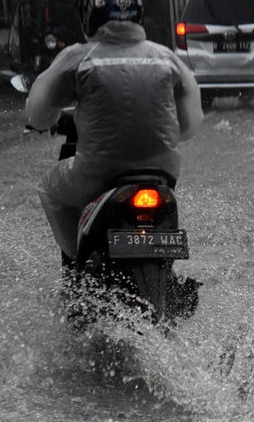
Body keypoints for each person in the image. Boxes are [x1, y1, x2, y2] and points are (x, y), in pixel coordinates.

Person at [25, 0, 203, 265]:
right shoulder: (166, 57)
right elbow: (189, 127)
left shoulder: (79, 57)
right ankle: (166, 268)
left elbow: (38, 113)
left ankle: (77, 262)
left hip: (97, 174)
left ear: (90, 14)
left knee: (49, 189)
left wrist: (46, 122)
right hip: (163, 173)